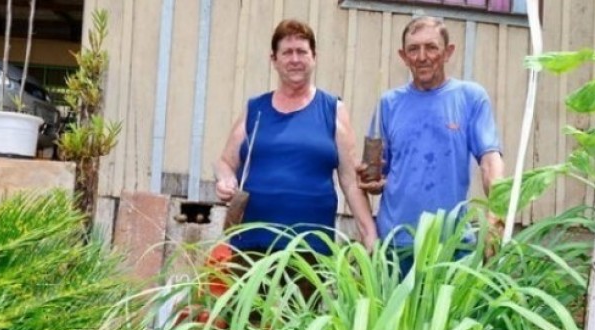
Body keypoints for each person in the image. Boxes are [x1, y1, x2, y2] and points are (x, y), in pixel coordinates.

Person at [214, 19, 377, 262]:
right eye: (287, 52)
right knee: (245, 301)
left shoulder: (332, 110)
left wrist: (370, 235)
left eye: (301, 51)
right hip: (250, 246)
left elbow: (351, 182)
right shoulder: (255, 109)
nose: (295, 59)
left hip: (310, 251)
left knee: (304, 302)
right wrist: (225, 180)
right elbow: (225, 161)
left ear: (314, 57)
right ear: (274, 60)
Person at [358, 16, 505, 264]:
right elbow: (379, 171)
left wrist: (497, 212)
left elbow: (491, 161)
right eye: (413, 49)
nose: (422, 57)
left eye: (431, 47)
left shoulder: (470, 97)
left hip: (450, 246)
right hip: (396, 244)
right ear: (403, 57)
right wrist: (371, 180)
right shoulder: (388, 104)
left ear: (448, 52)